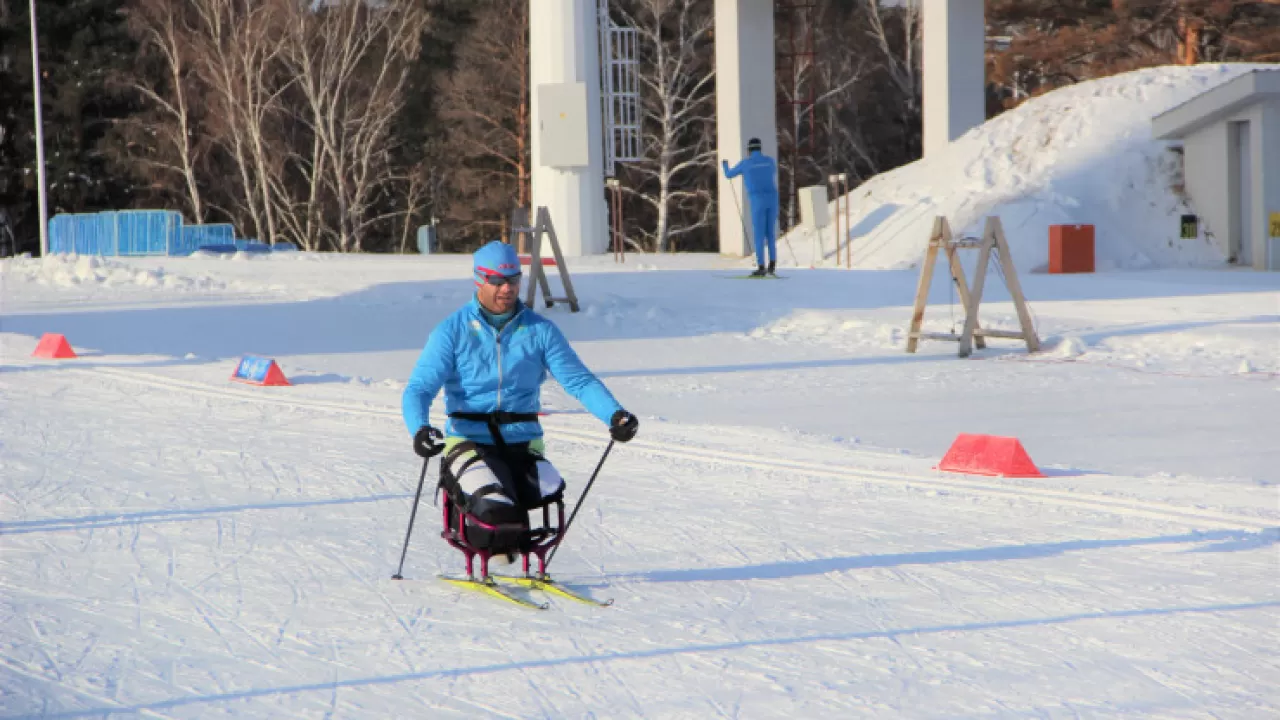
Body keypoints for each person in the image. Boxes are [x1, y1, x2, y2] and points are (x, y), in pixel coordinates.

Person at [401, 240, 639, 560]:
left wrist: (615, 415)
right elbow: (418, 389)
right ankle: (488, 545)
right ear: (478, 280)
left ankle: (513, 547)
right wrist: (420, 429)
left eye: (513, 280)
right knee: (495, 507)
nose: (507, 289)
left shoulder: (539, 330)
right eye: (497, 282)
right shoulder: (451, 332)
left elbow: (579, 381)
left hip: (522, 442)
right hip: (469, 439)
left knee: (550, 490)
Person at [722, 137, 780, 277]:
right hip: (772, 199)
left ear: (749, 150)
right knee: (770, 233)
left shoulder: (746, 164)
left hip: (757, 200)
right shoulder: (769, 161)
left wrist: (725, 165)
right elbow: (773, 171)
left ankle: (761, 266)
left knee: (759, 234)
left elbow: (728, 175)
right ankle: (772, 264)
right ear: (760, 148)